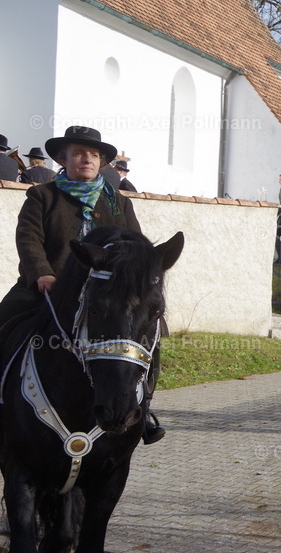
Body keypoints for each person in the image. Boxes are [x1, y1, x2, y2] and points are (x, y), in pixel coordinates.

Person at [0, 125, 165, 444]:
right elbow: (29, 238)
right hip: (48, 289)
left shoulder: (119, 203)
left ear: (101, 161)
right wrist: (42, 273)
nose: (86, 159)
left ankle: (143, 410)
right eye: (77, 153)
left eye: (92, 154)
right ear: (63, 159)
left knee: (152, 335)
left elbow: (135, 246)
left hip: (106, 296)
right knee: (4, 319)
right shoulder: (42, 195)